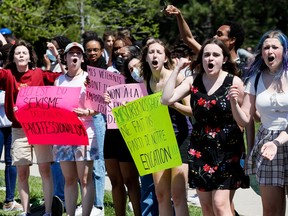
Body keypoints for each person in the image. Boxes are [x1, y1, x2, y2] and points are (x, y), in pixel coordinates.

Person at [161, 38, 249, 216]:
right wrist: (176, 69)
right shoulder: (193, 80)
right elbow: (166, 99)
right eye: (206, 55)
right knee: (207, 208)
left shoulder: (235, 82)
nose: (210, 59)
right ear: (201, 59)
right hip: (201, 149)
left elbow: (245, 120)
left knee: (220, 204)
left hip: (228, 148)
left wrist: (234, 103)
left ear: (224, 59)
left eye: (216, 55)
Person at [228, 30, 288, 216]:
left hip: (281, 139)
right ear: (261, 53)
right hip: (267, 143)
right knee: (271, 210)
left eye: (274, 47)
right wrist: (234, 103)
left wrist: (277, 142)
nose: (270, 51)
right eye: (266, 48)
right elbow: (245, 118)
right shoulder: (254, 80)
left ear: (284, 51)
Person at [0, 40, 62, 216]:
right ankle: (27, 211)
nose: (21, 55)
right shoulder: (7, 74)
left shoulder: (39, 74)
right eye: (17, 53)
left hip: (40, 128)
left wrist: (57, 56)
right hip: (18, 130)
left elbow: (63, 79)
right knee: (22, 172)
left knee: (44, 170)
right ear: (12, 57)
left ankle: (48, 211)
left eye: (24, 53)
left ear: (30, 57)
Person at [140, 39, 192, 216]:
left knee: (177, 196)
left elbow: (192, 110)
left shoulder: (176, 77)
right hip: (158, 140)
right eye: (151, 52)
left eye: (159, 52)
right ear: (146, 58)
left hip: (180, 138)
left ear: (165, 58)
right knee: (161, 195)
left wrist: (172, 103)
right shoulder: (146, 80)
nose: (154, 55)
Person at [52, 42, 98, 216]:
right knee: (69, 179)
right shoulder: (59, 80)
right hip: (63, 133)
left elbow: (98, 107)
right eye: (71, 53)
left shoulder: (89, 78)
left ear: (82, 58)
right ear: (65, 58)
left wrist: (86, 111)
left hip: (85, 132)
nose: (75, 56)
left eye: (78, 53)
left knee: (85, 178)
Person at [103, 43, 142, 216]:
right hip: (112, 132)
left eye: (124, 55)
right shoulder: (112, 78)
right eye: (118, 54)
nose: (120, 58)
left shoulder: (139, 80)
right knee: (115, 180)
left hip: (130, 133)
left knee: (130, 180)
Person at [74, 36, 108, 216]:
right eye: (89, 50)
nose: (92, 53)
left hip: (100, 118)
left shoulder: (107, 71)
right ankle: (86, 201)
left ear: (102, 51)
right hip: (82, 120)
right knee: (83, 165)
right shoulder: (82, 71)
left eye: (95, 50)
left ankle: (99, 205)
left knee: (98, 163)